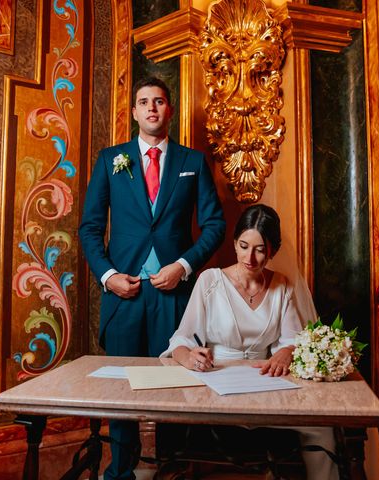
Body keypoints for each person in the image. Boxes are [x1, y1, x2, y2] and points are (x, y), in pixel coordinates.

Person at [79, 76, 226, 480]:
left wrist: (183, 266)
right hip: (124, 293)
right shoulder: (111, 159)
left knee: (178, 387)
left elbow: (214, 225)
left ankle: (174, 471)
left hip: (174, 295)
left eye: (159, 102)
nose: (151, 109)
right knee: (123, 389)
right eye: (143, 102)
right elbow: (90, 228)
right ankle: (121, 472)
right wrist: (107, 276)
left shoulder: (192, 162)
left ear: (169, 110)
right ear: (134, 112)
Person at [160, 204, 339, 480]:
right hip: (215, 383)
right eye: (244, 246)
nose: (250, 257)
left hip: (265, 383)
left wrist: (286, 353)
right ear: (234, 243)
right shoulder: (210, 281)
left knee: (320, 426)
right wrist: (188, 356)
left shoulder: (283, 285)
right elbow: (182, 339)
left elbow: (292, 341)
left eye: (260, 249)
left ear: (273, 251)